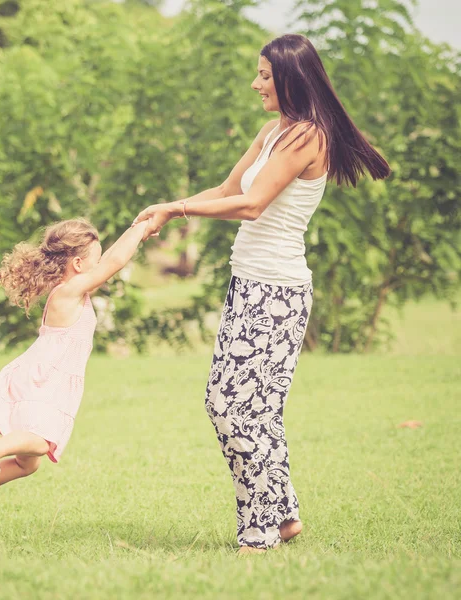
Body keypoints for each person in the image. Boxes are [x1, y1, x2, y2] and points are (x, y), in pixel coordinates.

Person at [131, 34, 390, 554]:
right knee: (239, 406)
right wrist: (165, 206)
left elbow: (251, 206)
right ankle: (285, 514)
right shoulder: (273, 133)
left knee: (235, 407)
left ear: (291, 77)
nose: (255, 84)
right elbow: (228, 191)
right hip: (248, 283)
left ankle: (261, 528)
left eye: (264, 76)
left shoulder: (308, 138)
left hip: (277, 291)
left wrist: (178, 210)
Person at [0, 217, 150, 532]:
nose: (100, 267)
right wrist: (144, 226)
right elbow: (116, 261)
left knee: (29, 463)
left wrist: (139, 225)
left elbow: (110, 257)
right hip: (47, 377)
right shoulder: (68, 291)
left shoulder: (71, 290)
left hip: (43, 373)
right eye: (94, 262)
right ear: (79, 264)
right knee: (41, 442)